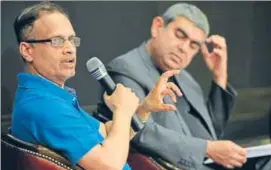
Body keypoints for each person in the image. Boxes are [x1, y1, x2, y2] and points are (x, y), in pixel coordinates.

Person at [98, 3, 271, 170]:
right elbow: (139, 131)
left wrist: (219, 77)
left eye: (193, 45)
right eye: (180, 35)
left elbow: (210, 134)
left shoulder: (185, 78)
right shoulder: (125, 68)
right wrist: (206, 148)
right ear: (157, 27)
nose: (183, 48)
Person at [10, 2, 182, 170]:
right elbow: (109, 165)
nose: (70, 48)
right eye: (56, 41)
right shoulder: (44, 106)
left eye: (71, 40)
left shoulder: (52, 97)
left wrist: (144, 108)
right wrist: (121, 109)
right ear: (27, 50)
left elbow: (108, 134)